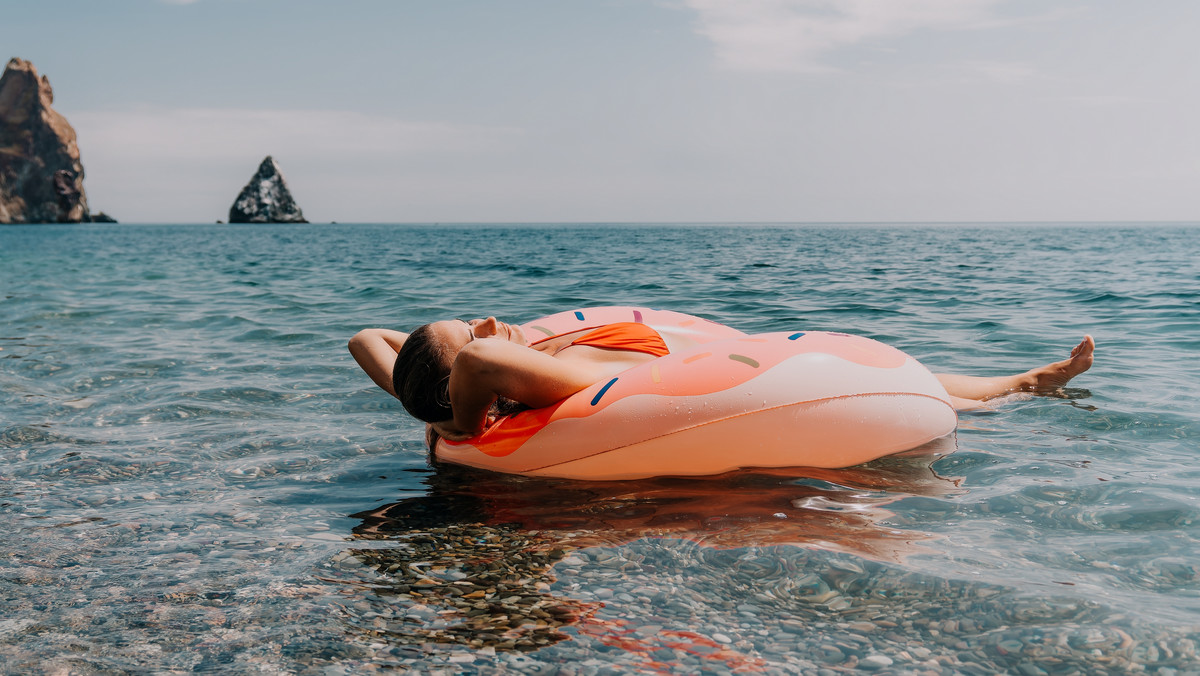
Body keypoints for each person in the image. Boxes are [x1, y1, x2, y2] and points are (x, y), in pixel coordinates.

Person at [349, 315, 1095, 446]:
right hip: (685, 380)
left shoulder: (461, 377)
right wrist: (454, 422)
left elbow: (364, 339)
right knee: (881, 381)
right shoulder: (502, 379)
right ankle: (1024, 388)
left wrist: (427, 381)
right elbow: (471, 369)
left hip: (665, 350)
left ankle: (1014, 381)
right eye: (470, 332)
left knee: (908, 369)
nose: (485, 328)